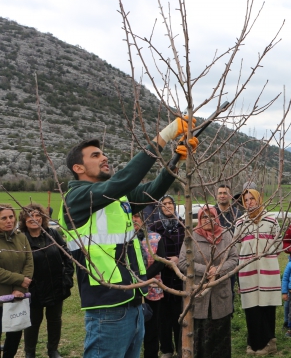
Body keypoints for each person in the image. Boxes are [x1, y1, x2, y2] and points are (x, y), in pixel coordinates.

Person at [58, 117, 196, 358]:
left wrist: (174, 163)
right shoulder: (76, 198)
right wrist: (166, 134)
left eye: (103, 154)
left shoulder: (115, 197)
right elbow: (126, 180)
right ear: (78, 168)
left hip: (133, 299)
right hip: (106, 304)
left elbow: (150, 192)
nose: (104, 158)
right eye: (95, 156)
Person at [178, 206, 239, 358]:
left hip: (220, 295)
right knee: (199, 338)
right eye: (203, 217)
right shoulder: (192, 237)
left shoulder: (226, 235)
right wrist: (205, 270)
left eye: (210, 216)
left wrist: (219, 269)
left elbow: (234, 258)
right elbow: (183, 262)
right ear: (199, 219)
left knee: (219, 338)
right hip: (198, 294)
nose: (207, 220)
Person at [20, 204, 73, 358]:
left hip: (56, 285)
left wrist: (67, 277)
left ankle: (53, 350)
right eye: (30, 216)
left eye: (38, 215)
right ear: (24, 219)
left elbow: (67, 255)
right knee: (32, 323)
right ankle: (30, 352)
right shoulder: (21, 239)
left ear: (43, 218)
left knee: (55, 320)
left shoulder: (52, 234)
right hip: (34, 289)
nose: (34, 219)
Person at [234, 189, 281, 356]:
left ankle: (269, 342)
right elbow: (236, 248)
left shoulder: (271, 220)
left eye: (252, 199)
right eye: (245, 200)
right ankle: (253, 343)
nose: (249, 203)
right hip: (248, 272)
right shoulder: (240, 223)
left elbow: (279, 244)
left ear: (259, 199)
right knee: (252, 307)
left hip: (268, 271)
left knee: (267, 306)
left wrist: (266, 258)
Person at [148, 195, 185, 358]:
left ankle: (180, 347)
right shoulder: (155, 226)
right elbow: (150, 250)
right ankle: (166, 349)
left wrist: (179, 258)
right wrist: (163, 261)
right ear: (160, 207)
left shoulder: (183, 225)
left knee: (179, 313)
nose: (167, 206)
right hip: (160, 275)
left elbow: (188, 247)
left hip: (179, 274)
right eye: (164, 204)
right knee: (162, 315)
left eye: (170, 203)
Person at [0, 205, 34, 358]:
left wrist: (20, 287)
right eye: (4, 218)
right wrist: (20, 279)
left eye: (11, 217)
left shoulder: (21, 237)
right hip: (1, 296)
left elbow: (29, 261)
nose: (9, 221)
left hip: (17, 295)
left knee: (14, 335)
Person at [132, 214, 166, 358]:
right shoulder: (123, 239)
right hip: (130, 291)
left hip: (153, 289)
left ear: (144, 219)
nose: (134, 220)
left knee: (152, 329)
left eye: (137, 217)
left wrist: (143, 278)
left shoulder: (155, 238)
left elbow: (160, 262)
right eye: (131, 217)